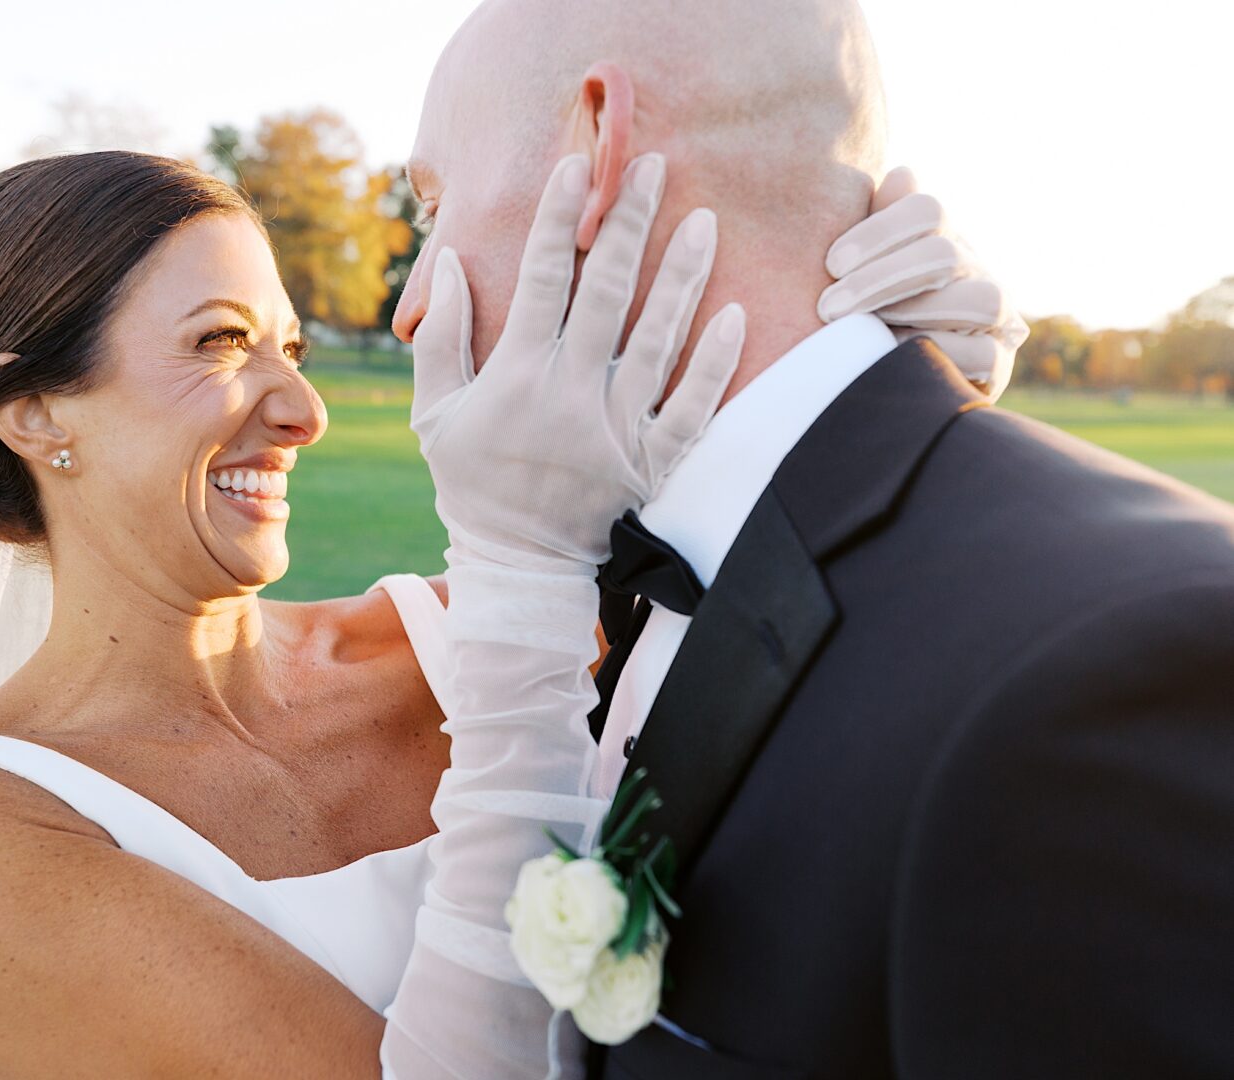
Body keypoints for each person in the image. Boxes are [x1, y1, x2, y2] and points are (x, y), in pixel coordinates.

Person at [0, 28, 1027, 1080]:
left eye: (289, 348)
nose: (298, 408)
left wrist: (889, 385)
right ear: (32, 408)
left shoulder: (465, 631)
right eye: (222, 348)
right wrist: (533, 581)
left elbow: (820, 691)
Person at [396, 0, 1234, 1076]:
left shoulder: (1120, 667)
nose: (412, 309)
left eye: (432, 205)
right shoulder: (591, 577)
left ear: (593, 147)